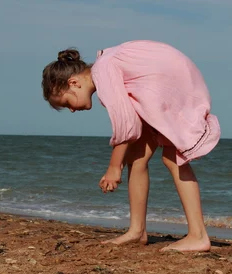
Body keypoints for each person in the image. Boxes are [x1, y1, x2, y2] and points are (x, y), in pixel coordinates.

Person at [41, 40, 221, 252]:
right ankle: (137, 231)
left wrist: (113, 168)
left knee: (173, 158)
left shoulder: (102, 70)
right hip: (164, 78)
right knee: (137, 157)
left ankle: (198, 236)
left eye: (66, 103)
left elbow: (126, 124)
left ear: (73, 83)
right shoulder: (105, 65)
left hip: (171, 81)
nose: (71, 110)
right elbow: (131, 123)